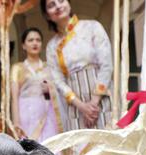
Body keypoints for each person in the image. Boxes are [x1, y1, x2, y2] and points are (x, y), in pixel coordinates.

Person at [41, 0, 113, 131]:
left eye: (61, 1)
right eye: (51, 5)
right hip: (75, 106)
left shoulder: (92, 27)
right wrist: (81, 106)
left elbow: (106, 65)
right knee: (80, 149)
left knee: (107, 145)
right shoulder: (52, 46)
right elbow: (58, 80)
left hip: (101, 99)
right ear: (47, 15)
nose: (58, 6)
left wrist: (94, 103)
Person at [11, 28, 63, 142]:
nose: (35, 43)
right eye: (30, 40)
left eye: (38, 40)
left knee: (49, 144)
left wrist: (49, 90)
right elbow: (14, 98)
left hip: (46, 113)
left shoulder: (48, 68)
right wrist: (16, 122)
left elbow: (58, 93)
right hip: (25, 112)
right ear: (23, 45)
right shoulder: (18, 68)